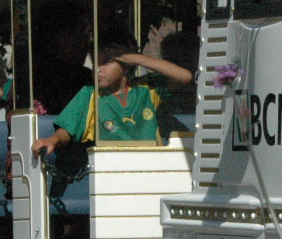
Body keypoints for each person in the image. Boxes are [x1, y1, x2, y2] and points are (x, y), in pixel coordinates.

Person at [32, 43, 175, 156]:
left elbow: (184, 76)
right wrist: (53, 140)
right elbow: (68, 129)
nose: (98, 69)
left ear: (126, 66)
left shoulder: (147, 88)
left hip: (152, 163)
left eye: (105, 63)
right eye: (96, 63)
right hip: (110, 168)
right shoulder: (91, 93)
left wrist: (140, 59)